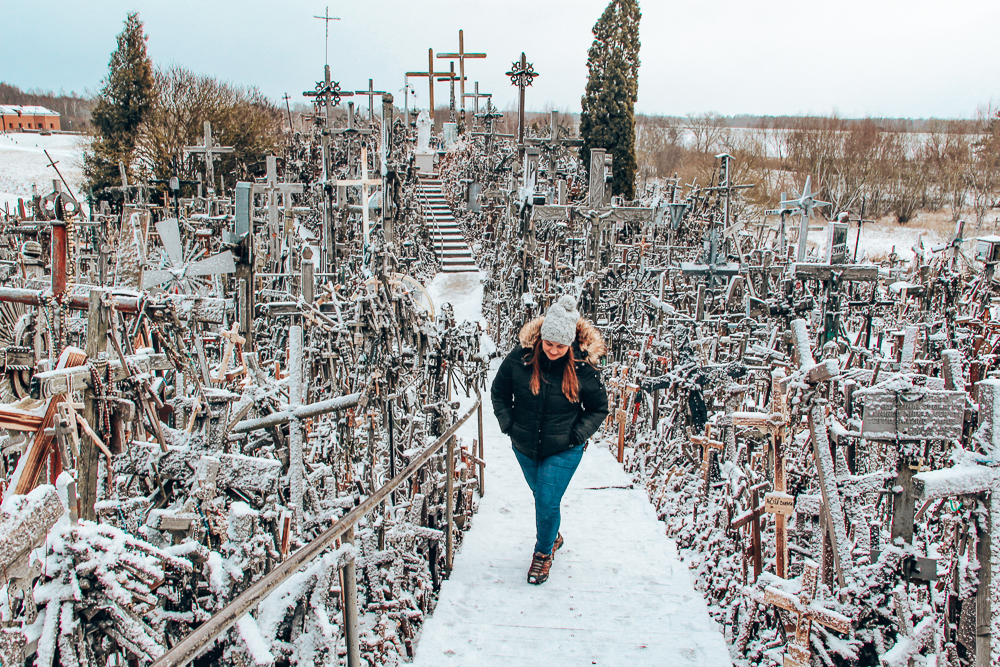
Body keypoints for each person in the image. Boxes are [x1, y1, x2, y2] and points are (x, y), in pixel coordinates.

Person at [491, 295, 609, 584]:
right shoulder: (521, 358)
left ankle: (542, 555)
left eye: (560, 345)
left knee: (545, 499)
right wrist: (509, 425)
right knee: (545, 500)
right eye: (549, 343)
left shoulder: (582, 367)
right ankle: (552, 534)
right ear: (541, 338)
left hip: (564, 448)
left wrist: (577, 435)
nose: (554, 351)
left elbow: (598, 408)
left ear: (569, 344)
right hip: (525, 445)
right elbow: (499, 392)